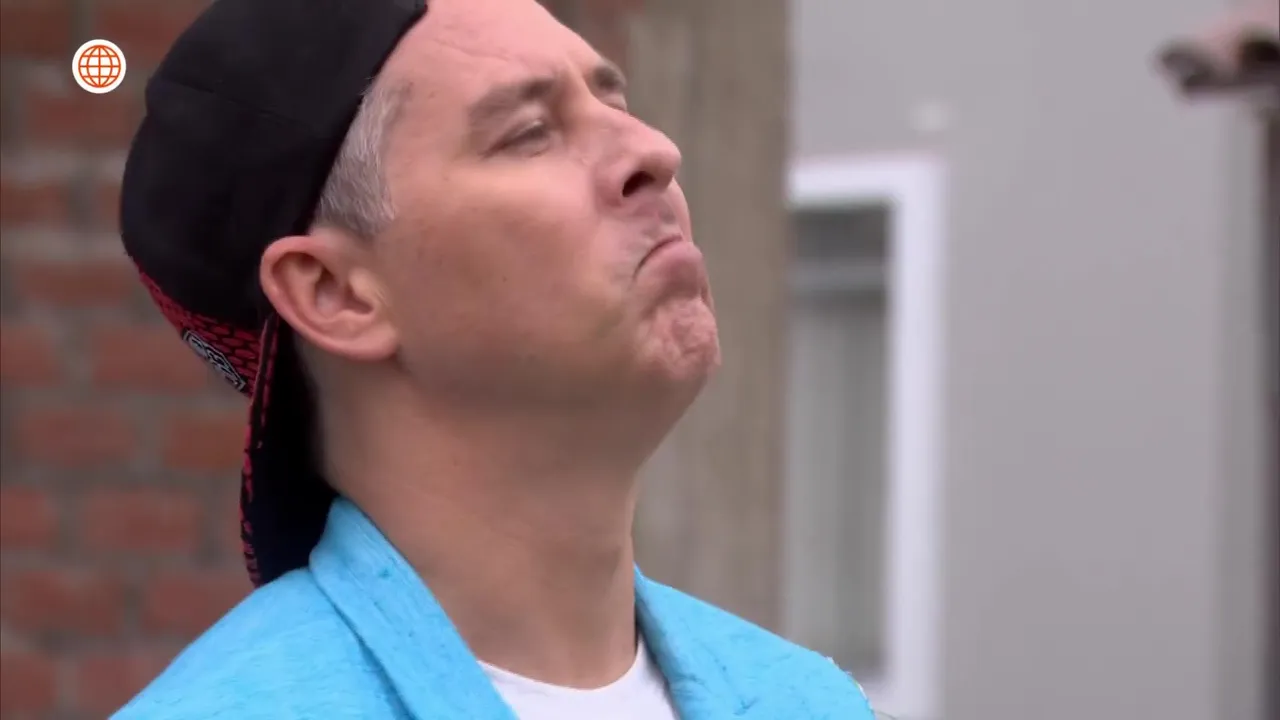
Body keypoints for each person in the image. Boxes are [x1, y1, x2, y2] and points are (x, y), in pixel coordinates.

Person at [113, 0, 878, 717]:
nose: (654, 150)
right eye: (530, 132)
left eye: (615, 105)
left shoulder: (807, 701)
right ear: (335, 293)